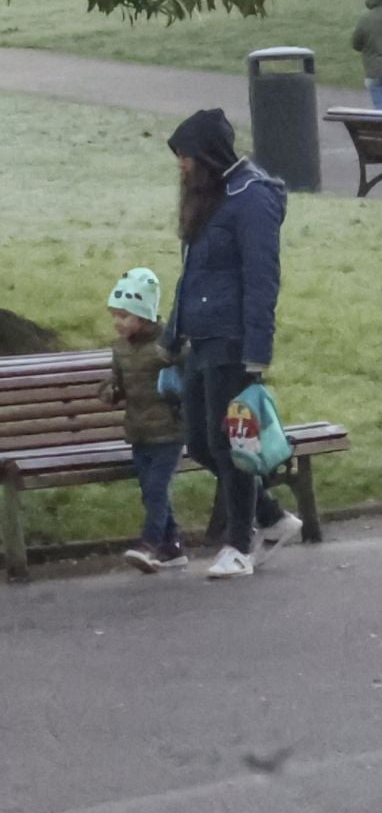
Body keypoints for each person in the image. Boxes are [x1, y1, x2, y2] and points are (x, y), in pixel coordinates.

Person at [162, 110, 303, 580]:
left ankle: (240, 545)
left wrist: (257, 350)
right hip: (200, 339)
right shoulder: (209, 198)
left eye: (184, 156)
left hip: (232, 340)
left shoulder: (251, 198)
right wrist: (171, 337)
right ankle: (272, 518)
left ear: (205, 155)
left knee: (231, 444)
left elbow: (262, 279)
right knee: (201, 442)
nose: (180, 166)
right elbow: (192, 276)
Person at [101, 268, 186, 573]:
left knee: (156, 489)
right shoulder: (120, 349)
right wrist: (110, 391)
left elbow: (188, 371)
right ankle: (173, 546)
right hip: (138, 431)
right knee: (150, 489)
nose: (118, 322)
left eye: (125, 315)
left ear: (144, 315)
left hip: (169, 431)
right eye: (116, 315)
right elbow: (116, 381)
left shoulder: (167, 344)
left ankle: (149, 545)